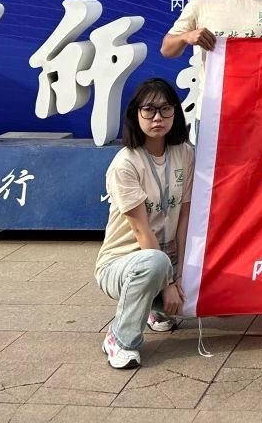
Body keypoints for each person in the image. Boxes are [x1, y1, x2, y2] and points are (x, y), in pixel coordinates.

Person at [95, 78, 195, 369]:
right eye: (149, 110)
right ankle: (120, 339)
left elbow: (184, 217)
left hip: (167, 260)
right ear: (135, 114)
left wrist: (183, 273)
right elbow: (141, 230)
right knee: (154, 263)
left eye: (165, 109)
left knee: (207, 291)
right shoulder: (125, 164)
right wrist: (169, 282)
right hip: (124, 263)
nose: (157, 118)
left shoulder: (184, 153)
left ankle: (155, 309)